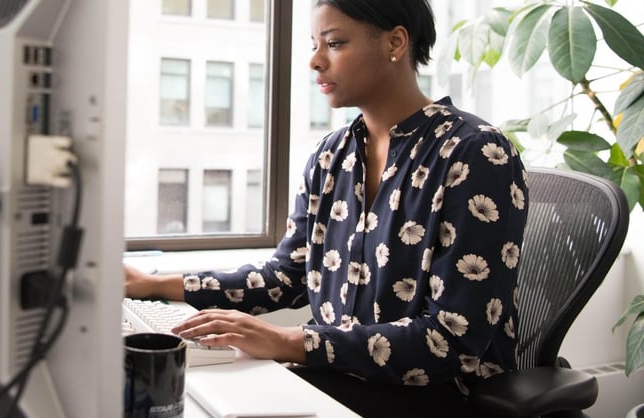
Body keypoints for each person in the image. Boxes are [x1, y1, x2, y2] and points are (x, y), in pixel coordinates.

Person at [125, 0, 528, 416]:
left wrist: (289, 341)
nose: (315, 61)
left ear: (396, 41)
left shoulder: (475, 153)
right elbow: (284, 276)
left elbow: (452, 340)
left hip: (438, 396)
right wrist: (153, 284)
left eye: (334, 43)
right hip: (338, 379)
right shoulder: (332, 155)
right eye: (314, 44)